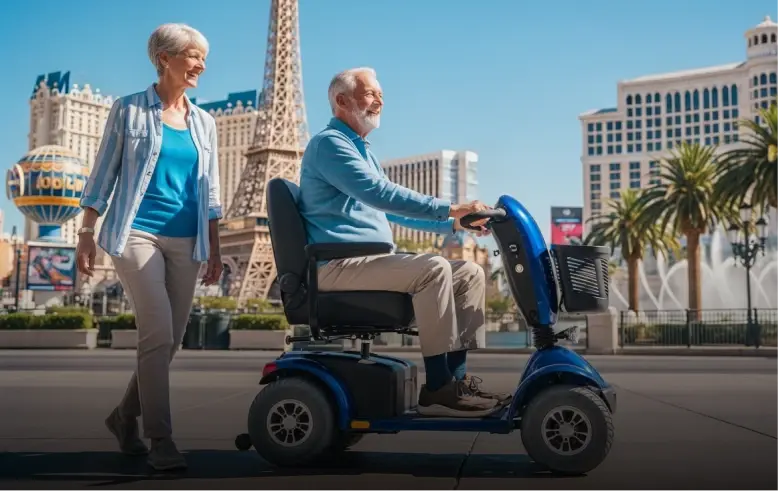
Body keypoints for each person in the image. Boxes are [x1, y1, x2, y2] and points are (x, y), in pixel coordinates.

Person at [297, 67, 511, 418]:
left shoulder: (360, 149)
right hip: (336, 264)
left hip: (364, 263)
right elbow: (380, 194)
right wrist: (452, 207)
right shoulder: (330, 145)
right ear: (341, 100)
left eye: (381, 93)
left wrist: (454, 222)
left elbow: (392, 213)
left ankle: (455, 379)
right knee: (432, 269)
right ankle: (438, 384)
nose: (379, 99)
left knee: (469, 273)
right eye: (370, 93)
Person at [75, 23, 224, 471]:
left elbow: (210, 192)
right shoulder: (128, 110)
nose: (201, 64)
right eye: (193, 55)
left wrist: (214, 249)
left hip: (187, 238)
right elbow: (104, 173)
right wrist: (86, 232)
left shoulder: (205, 122)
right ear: (164, 58)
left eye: (204, 57)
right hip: (135, 233)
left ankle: (124, 416)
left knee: (170, 340)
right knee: (156, 333)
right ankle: (160, 438)